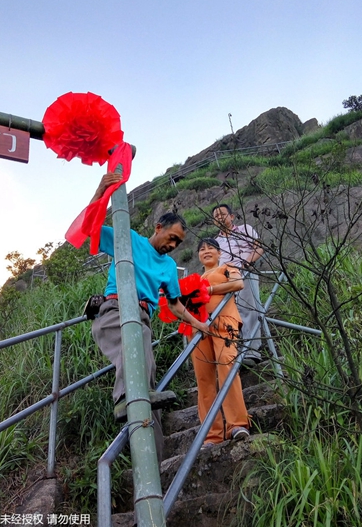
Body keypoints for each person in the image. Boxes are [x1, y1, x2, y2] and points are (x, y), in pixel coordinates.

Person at [90, 172, 210, 461]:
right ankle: (123, 400)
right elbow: (89, 231)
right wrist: (101, 191)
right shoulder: (128, 239)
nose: (173, 246)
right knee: (137, 357)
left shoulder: (168, 267)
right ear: (158, 227)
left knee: (148, 377)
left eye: (178, 244)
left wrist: (198, 324)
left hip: (142, 317)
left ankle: (154, 459)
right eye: (172, 238)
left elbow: (176, 304)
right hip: (114, 311)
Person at [191, 237, 250, 448]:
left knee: (227, 367)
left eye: (210, 248)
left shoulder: (227, 267)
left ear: (218, 253)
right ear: (198, 256)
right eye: (202, 248)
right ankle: (211, 434)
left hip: (226, 323)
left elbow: (238, 283)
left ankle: (236, 424)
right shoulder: (194, 278)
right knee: (204, 379)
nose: (206, 251)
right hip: (199, 330)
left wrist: (211, 290)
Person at [212, 204, 264, 366]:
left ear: (232, 216)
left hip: (244, 273)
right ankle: (233, 352)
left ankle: (252, 351)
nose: (219, 217)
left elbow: (259, 248)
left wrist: (245, 264)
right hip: (224, 280)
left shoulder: (244, 230)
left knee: (248, 307)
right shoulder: (215, 242)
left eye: (222, 214)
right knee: (226, 315)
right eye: (216, 216)